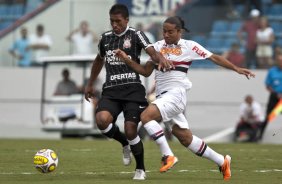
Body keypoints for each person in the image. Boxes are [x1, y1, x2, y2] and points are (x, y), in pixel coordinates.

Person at [115, 16, 255, 181]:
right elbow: (145, 71)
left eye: (170, 32)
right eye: (164, 31)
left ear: (179, 31)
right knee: (185, 137)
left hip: (176, 94)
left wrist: (236, 68)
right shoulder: (157, 47)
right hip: (163, 96)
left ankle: (168, 155)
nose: (166, 35)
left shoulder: (190, 46)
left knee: (146, 116)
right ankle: (222, 161)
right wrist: (127, 60)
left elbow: (214, 57)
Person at [84, 4, 172, 180]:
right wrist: (90, 83)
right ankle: (124, 143)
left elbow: (152, 52)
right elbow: (98, 60)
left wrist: (161, 59)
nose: (114, 25)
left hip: (133, 90)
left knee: (131, 129)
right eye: (112, 21)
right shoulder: (105, 38)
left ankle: (140, 168)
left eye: (118, 21)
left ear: (126, 20)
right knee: (101, 121)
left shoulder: (136, 34)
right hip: (111, 90)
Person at [259, 53, 282, 139]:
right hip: (274, 97)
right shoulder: (272, 71)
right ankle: (259, 136)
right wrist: (276, 93)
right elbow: (268, 85)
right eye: (279, 61)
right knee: (268, 116)